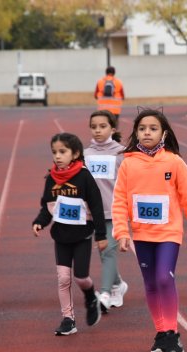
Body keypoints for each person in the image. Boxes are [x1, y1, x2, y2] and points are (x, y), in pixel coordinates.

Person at [112, 109, 187, 352]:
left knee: (164, 278)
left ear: (163, 133)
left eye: (153, 128)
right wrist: (121, 231)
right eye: (142, 128)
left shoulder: (174, 162)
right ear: (135, 132)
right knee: (151, 283)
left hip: (169, 233)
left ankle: (173, 333)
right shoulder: (128, 163)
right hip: (142, 234)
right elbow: (119, 200)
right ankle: (161, 332)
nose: (147, 132)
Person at [32, 132, 107, 335]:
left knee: (81, 278)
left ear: (75, 153)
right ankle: (68, 319)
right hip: (61, 236)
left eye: (62, 152)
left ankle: (91, 296)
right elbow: (46, 207)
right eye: (54, 152)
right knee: (63, 278)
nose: (57, 156)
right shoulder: (51, 179)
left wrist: (101, 235)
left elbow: (97, 206)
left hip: (82, 235)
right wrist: (39, 222)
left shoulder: (84, 176)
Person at [83, 110, 128, 312]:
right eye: (94, 127)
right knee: (103, 253)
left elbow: (130, 183)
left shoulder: (122, 153)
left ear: (112, 128)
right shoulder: (85, 154)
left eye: (102, 126)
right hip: (91, 213)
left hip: (113, 210)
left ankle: (105, 293)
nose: (98, 130)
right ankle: (118, 284)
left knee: (108, 250)